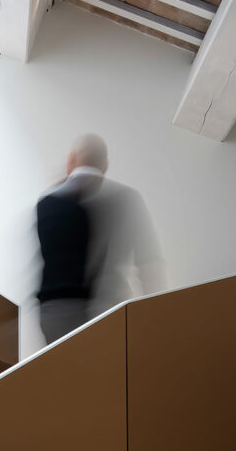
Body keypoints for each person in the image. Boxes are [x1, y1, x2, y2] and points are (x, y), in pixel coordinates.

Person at [36, 134, 166, 345]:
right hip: (107, 313)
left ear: (71, 160)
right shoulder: (126, 198)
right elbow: (149, 263)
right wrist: (155, 320)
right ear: (104, 166)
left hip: (55, 320)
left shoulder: (46, 203)